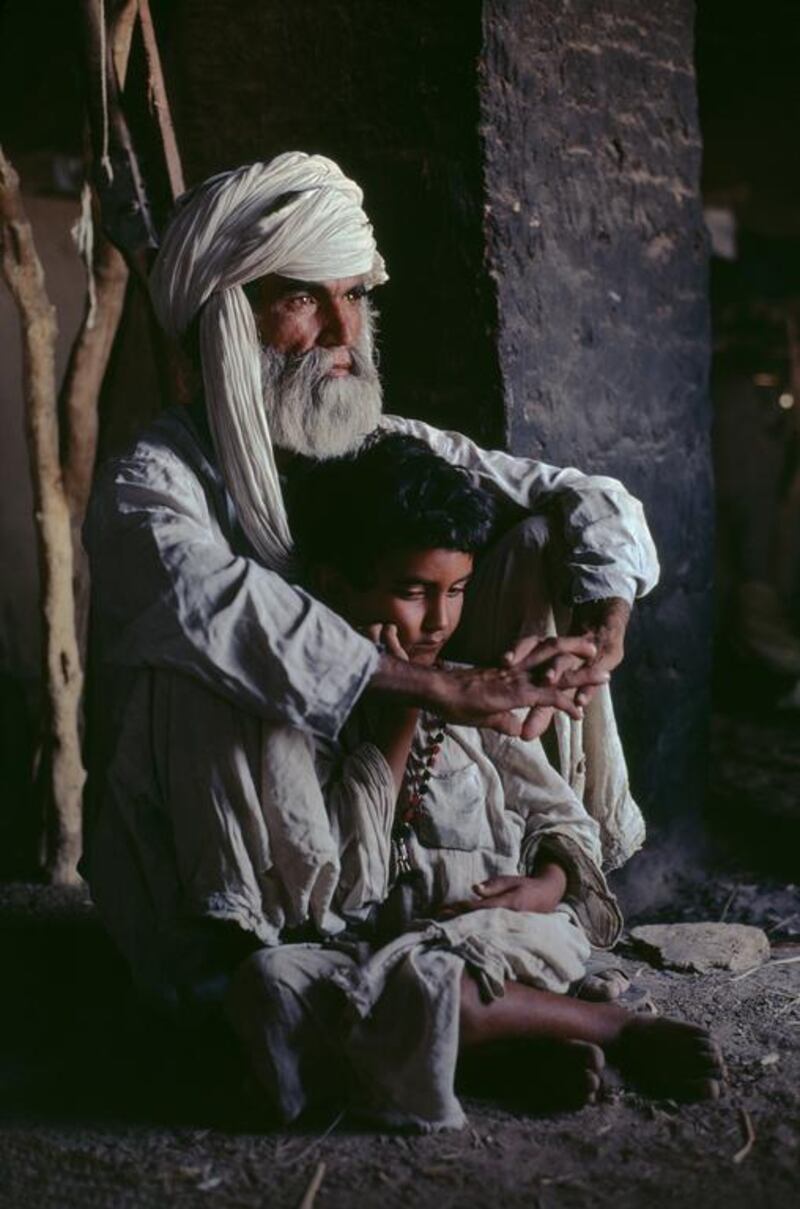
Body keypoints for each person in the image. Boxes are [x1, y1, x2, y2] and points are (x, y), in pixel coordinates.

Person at [83, 151, 657, 1015]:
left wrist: (606, 628)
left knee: (551, 539)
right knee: (200, 655)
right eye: (308, 298)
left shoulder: (379, 439)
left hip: (398, 774)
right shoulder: (151, 483)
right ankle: (255, 955)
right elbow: (217, 602)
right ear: (230, 318)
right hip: (260, 820)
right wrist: (442, 685)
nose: (345, 335)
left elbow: (585, 495)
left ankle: (497, 890)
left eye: (355, 295)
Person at [221, 432, 723, 1130]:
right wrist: (404, 710)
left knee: (443, 983)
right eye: (412, 592)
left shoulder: (474, 693)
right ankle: (500, 1049)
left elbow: (559, 818)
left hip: (497, 939)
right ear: (333, 586)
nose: (440, 620)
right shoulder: (302, 723)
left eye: (455, 591)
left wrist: (545, 884)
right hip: (372, 954)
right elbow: (343, 885)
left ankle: (610, 1028)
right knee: (267, 988)